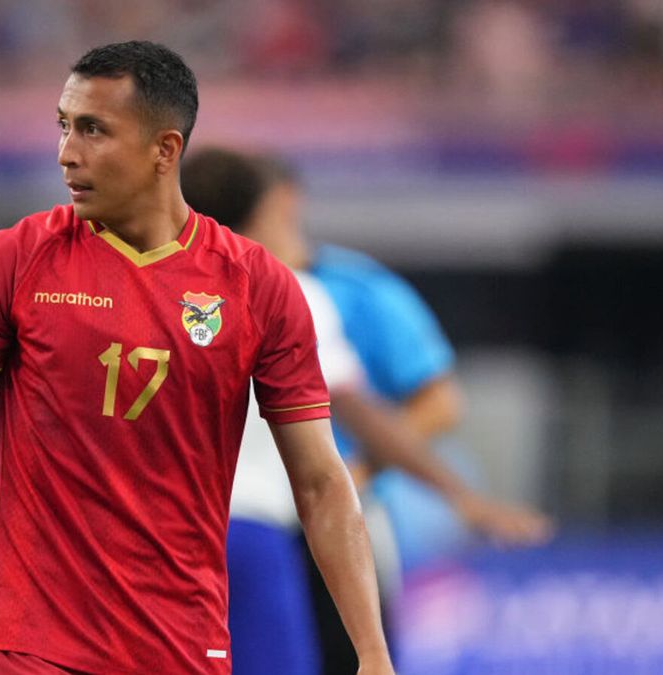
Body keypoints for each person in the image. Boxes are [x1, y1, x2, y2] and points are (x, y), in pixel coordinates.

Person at [0, 41, 394, 675]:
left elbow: (321, 483)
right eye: (63, 126)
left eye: (93, 130)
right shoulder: (15, 261)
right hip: (30, 642)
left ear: (165, 149)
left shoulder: (257, 288)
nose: (66, 152)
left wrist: (372, 652)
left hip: (181, 645)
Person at [181, 147, 553, 674]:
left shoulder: (355, 288)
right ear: (275, 206)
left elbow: (436, 402)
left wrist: (363, 471)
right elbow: (364, 412)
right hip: (275, 522)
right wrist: (456, 495)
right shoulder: (291, 293)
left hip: (187, 525)